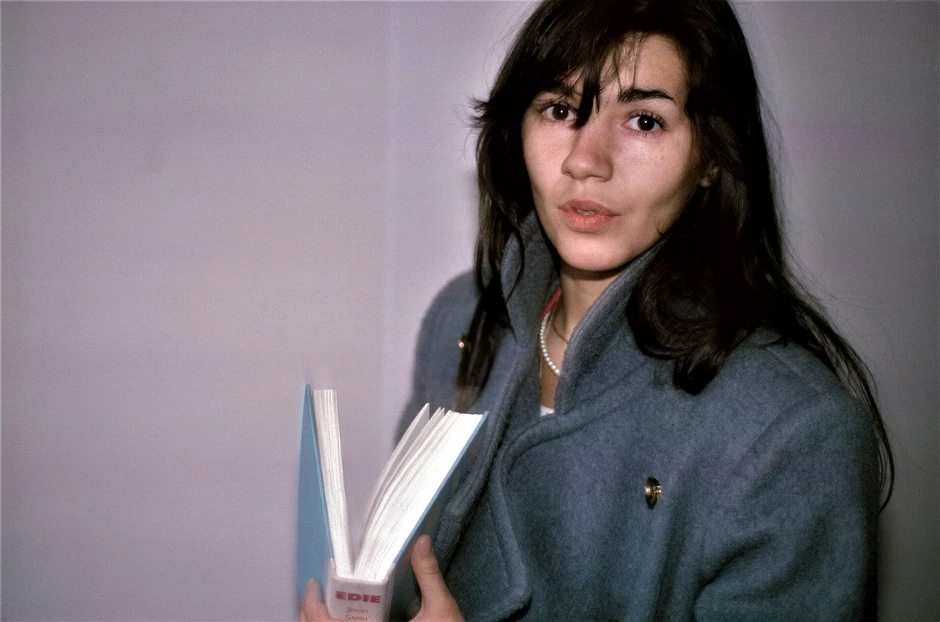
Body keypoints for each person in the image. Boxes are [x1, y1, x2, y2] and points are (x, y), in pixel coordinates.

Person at [302, 0, 893, 619]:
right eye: (560, 110)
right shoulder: (463, 324)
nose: (586, 160)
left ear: (713, 158)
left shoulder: (794, 433)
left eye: (644, 121)